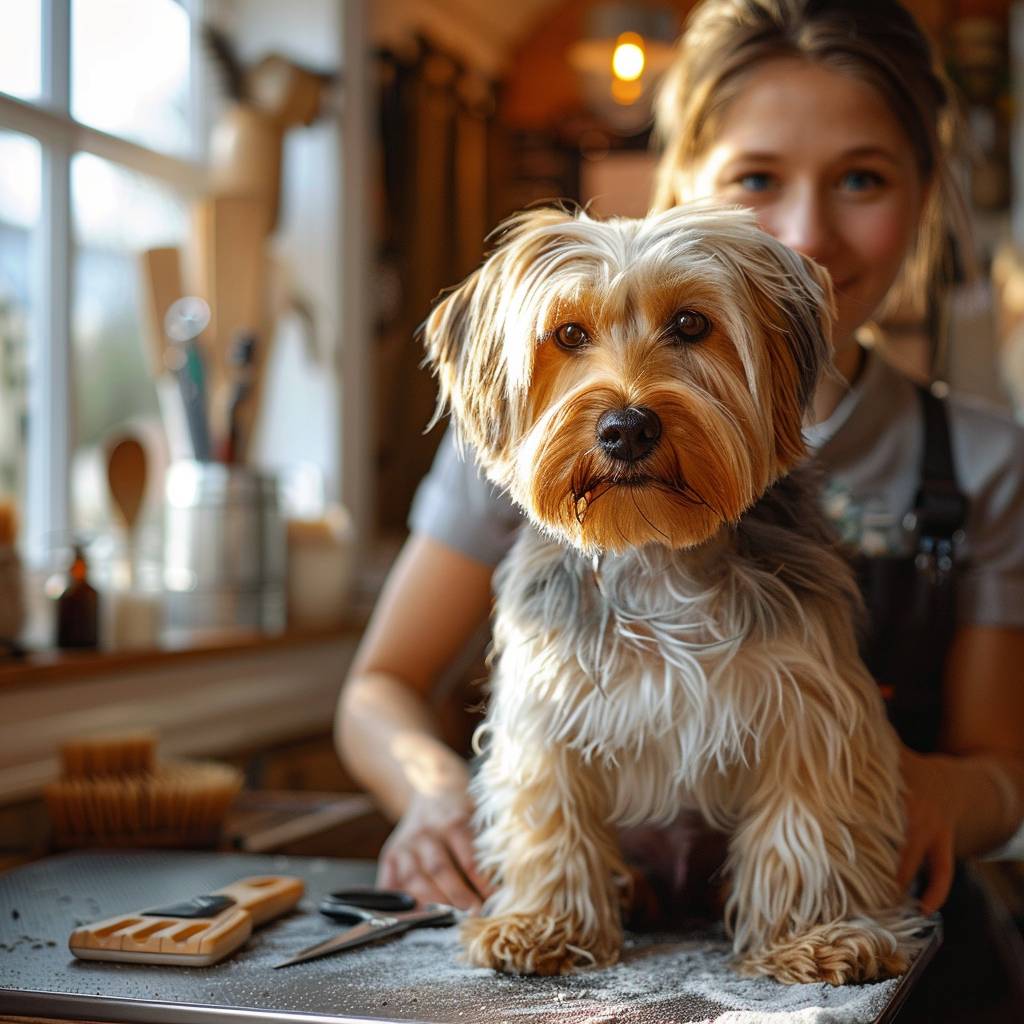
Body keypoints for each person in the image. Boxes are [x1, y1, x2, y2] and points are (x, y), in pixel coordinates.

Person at [336, 0, 1024, 994]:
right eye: (755, 178)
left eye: (862, 179)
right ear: (683, 181)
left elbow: (1004, 766)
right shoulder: (529, 442)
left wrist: (927, 790)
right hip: (629, 942)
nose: (806, 229)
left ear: (925, 194)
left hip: (912, 954)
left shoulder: (986, 460)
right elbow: (379, 688)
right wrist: (439, 792)